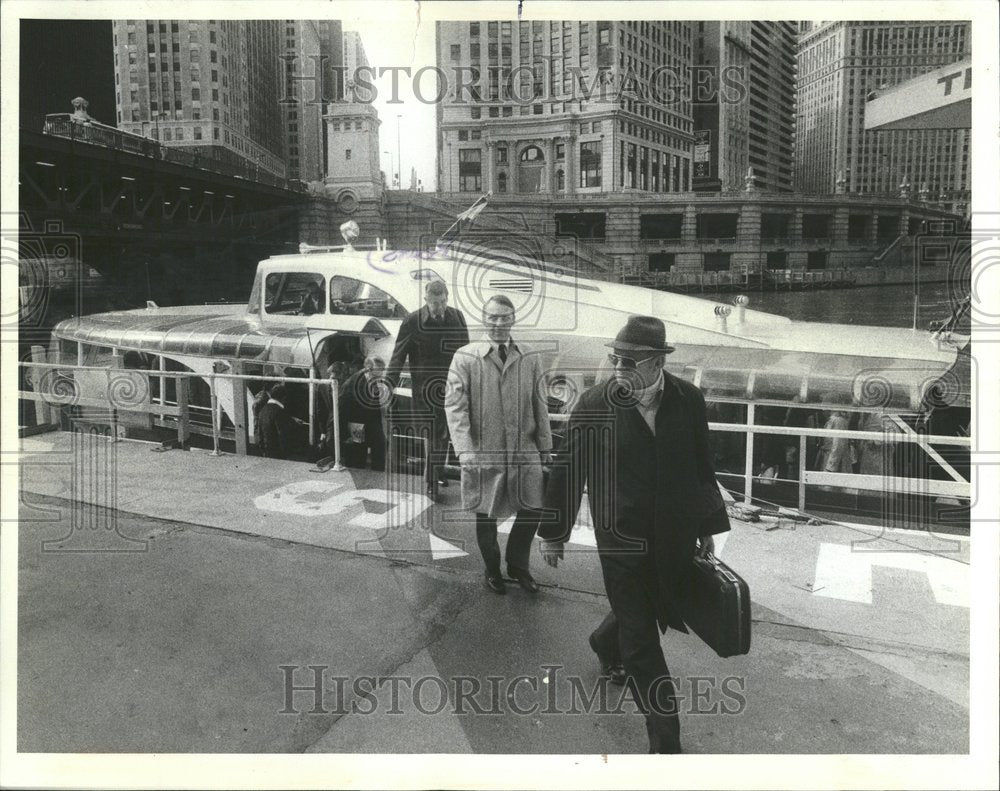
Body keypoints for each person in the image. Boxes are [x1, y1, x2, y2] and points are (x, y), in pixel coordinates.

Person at [539, 315, 730, 754]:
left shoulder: (688, 399)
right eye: (615, 358)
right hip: (619, 537)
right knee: (642, 642)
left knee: (652, 603)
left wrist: (708, 525)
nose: (618, 368)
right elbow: (568, 470)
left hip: (675, 532)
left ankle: (603, 641)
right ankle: (665, 745)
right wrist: (554, 533)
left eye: (628, 361)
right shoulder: (593, 404)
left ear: (655, 362)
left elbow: (702, 465)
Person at [445, 294, 553, 595]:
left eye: (505, 316)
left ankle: (518, 566)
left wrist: (545, 449)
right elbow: (455, 406)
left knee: (532, 507)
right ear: (484, 318)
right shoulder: (466, 357)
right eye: (493, 316)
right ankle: (492, 569)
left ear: (513, 319)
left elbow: (540, 402)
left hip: (524, 449)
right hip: (484, 449)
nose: (499, 322)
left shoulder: (530, 356)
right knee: (486, 513)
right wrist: (466, 451)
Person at [386, 280, 469, 501]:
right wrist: (388, 384)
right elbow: (398, 355)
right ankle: (432, 483)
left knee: (447, 433)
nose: (439, 308)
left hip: (453, 387)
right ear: (426, 300)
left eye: (442, 302)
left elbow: (467, 352)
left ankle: (438, 473)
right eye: (434, 303)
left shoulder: (458, 317)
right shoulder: (412, 321)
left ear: (447, 298)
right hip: (425, 391)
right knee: (433, 434)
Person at [337, 356, 389, 472]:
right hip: (356, 425)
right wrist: (345, 434)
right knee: (357, 460)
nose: (382, 373)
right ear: (368, 368)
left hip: (371, 424)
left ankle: (378, 478)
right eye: (379, 369)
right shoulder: (351, 384)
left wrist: (379, 429)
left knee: (380, 447)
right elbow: (342, 410)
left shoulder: (373, 380)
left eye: (383, 369)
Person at [256, 383, 304, 460]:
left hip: (266, 450)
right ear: (284, 398)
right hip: (278, 453)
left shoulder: (263, 410)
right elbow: (282, 434)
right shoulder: (279, 412)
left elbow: (260, 431)